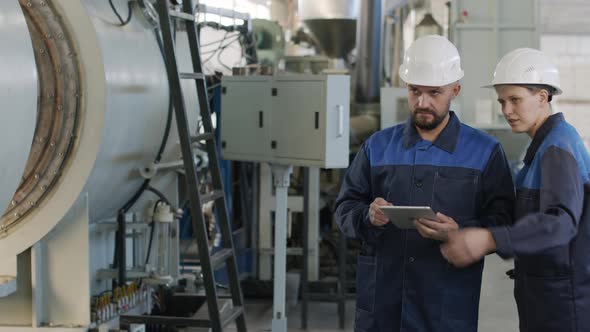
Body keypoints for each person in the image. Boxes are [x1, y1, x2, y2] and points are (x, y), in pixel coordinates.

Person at [335, 35, 515, 332]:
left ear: (455, 90)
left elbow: (504, 220)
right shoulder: (377, 147)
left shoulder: (485, 152)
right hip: (383, 307)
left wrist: (461, 232)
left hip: (445, 308)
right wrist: (366, 215)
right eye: (414, 91)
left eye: (434, 93)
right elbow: (344, 207)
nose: (422, 102)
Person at [441, 48, 590, 332]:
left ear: (543, 97)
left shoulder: (557, 149)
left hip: (563, 305)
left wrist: (489, 239)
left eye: (515, 100)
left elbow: (560, 223)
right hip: (547, 297)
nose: (506, 111)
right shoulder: (544, 147)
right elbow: (526, 217)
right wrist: (461, 229)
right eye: (502, 101)